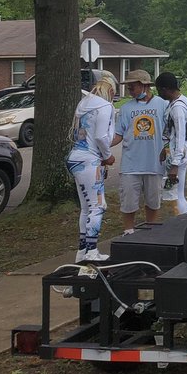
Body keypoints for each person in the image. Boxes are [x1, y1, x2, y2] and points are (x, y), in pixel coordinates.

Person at [66, 71, 118, 262]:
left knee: (86, 208)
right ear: (110, 91)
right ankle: (91, 251)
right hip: (89, 159)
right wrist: (108, 156)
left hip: (76, 157)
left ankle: (82, 251)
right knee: (98, 206)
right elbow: (101, 136)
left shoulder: (84, 105)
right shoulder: (105, 107)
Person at [111, 69, 168, 233]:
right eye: (128, 87)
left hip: (155, 163)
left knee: (153, 200)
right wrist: (102, 147)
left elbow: (171, 132)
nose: (129, 90)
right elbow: (118, 134)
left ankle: (150, 231)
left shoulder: (162, 105)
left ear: (144, 86)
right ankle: (129, 231)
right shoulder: (125, 109)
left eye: (132, 87)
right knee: (128, 200)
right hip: (131, 164)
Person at [156, 71, 187, 216]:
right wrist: (165, 148)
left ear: (165, 89)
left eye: (159, 90)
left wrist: (175, 165)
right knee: (177, 195)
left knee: (176, 195)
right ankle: (183, 221)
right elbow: (173, 135)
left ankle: (183, 223)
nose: (159, 94)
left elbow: (179, 136)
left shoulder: (178, 109)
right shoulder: (182, 100)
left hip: (178, 156)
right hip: (178, 153)